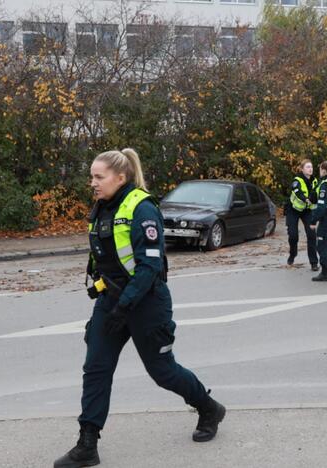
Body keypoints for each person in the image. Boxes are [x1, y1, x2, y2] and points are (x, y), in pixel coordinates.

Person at [54, 149, 226, 468]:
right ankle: (87, 444)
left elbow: (149, 265)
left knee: (162, 372)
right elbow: (102, 253)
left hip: (146, 302)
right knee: (96, 369)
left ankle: (209, 408)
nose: (92, 182)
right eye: (91, 175)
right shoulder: (102, 208)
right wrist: (97, 285)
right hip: (112, 301)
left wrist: (125, 305)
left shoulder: (142, 208)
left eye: (98, 176)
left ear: (120, 177)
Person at [285, 159, 320, 270]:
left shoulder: (315, 181)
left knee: (311, 235)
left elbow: (317, 194)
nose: (310, 169)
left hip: (307, 211)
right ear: (302, 169)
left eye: (311, 167)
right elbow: (297, 192)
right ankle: (293, 254)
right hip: (293, 210)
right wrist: (306, 199)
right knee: (293, 235)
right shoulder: (297, 180)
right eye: (308, 167)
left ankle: (314, 263)